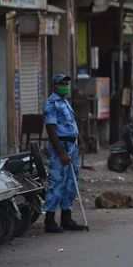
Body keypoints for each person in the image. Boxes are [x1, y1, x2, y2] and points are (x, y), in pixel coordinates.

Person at [43, 74, 88, 232]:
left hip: (72, 145)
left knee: (71, 183)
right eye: (62, 83)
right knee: (57, 183)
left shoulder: (65, 102)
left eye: (67, 83)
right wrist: (61, 152)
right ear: (55, 85)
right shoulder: (51, 103)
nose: (66, 86)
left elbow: (72, 124)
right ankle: (49, 220)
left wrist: (80, 140)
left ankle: (66, 218)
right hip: (60, 146)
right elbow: (51, 129)